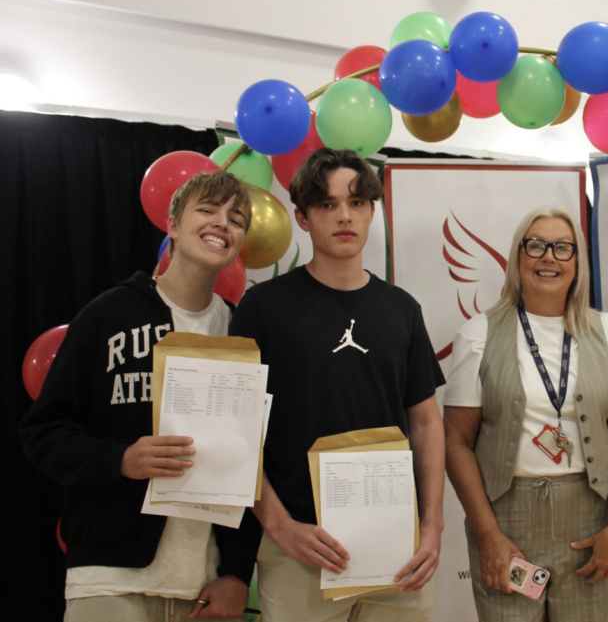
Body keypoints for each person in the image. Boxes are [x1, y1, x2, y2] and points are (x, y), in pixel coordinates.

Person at [21, 170, 257, 621]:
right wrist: (119, 459)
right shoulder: (108, 314)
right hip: (110, 578)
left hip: (205, 586)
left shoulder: (242, 331)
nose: (222, 223)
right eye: (207, 210)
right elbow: (43, 432)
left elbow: (257, 462)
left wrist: (237, 573)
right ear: (172, 223)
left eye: (236, 218)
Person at [229, 148, 446, 622]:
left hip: (399, 552)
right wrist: (279, 525)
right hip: (301, 549)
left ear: (373, 210)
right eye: (326, 205)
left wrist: (432, 526)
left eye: (356, 202)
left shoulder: (402, 309)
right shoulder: (262, 308)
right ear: (303, 218)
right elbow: (237, 434)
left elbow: (426, 422)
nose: (343, 216)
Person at [445, 207, 608, 622]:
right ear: (518, 258)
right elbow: (456, 443)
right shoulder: (477, 334)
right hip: (506, 520)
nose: (548, 257)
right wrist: (489, 535)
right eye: (535, 245)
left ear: (577, 263)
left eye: (562, 248)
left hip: (591, 518)